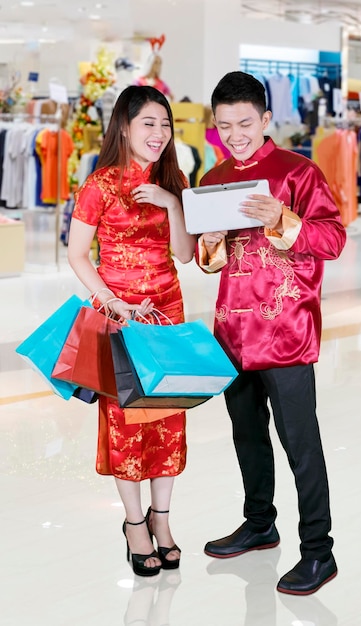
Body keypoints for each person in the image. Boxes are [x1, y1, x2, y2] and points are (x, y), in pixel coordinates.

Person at [196, 71, 346, 596]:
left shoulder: (297, 173)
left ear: (265, 119)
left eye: (244, 123)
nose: (235, 135)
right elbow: (212, 264)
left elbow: (333, 239)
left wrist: (284, 218)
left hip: (286, 331)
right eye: (224, 126)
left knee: (300, 444)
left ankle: (318, 552)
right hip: (232, 334)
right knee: (248, 438)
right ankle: (259, 523)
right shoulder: (213, 180)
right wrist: (210, 242)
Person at [67, 85, 196, 577]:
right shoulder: (98, 185)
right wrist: (111, 301)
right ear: (124, 126)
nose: (159, 133)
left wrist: (171, 202)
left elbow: (184, 255)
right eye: (149, 123)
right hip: (120, 316)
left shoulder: (174, 179)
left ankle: (162, 521)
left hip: (166, 313)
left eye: (165, 125)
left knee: (169, 418)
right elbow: (78, 253)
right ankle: (134, 524)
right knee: (125, 421)